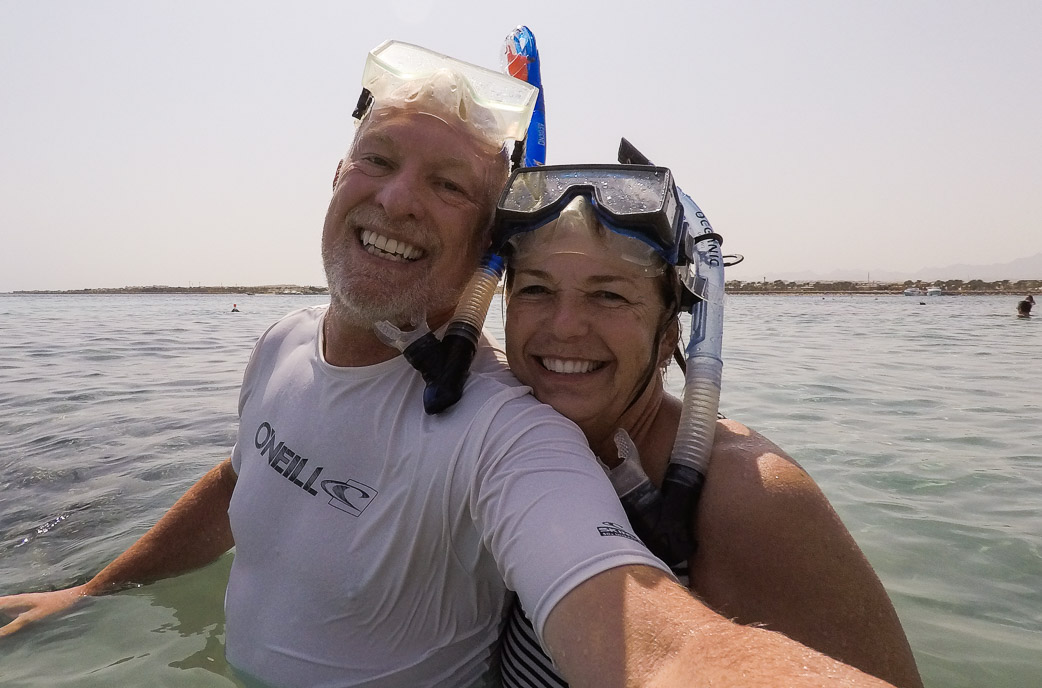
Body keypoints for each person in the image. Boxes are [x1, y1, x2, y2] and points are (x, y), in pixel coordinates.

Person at [0, 41, 897, 688]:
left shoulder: (507, 432)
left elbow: (653, 643)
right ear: (338, 174)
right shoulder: (280, 342)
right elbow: (244, 474)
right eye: (379, 160)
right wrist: (92, 591)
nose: (397, 198)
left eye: (448, 185)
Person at [490, 165, 923, 688]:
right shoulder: (508, 443)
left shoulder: (748, 497)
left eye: (609, 296)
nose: (564, 326)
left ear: (668, 334)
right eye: (536, 289)